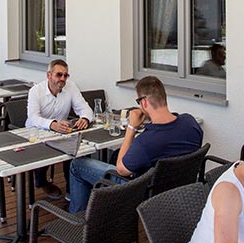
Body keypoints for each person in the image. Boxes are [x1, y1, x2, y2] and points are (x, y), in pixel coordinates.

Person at [66, 76, 202, 213]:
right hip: (179, 188)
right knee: (116, 154)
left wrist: (131, 128)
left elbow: (121, 170)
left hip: (142, 192)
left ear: (144, 103)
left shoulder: (146, 142)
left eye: (138, 102)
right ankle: (105, 207)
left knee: (77, 165)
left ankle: (79, 217)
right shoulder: (190, 123)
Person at [25, 59, 94, 200]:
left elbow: (85, 108)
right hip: (36, 133)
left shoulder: (71, 87)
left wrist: (85, 118)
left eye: (65, 75)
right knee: (45, 151)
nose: (62, 78)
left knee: (75, 152)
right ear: (48, 75)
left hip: (61, 133)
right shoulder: (36, 91)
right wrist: (52, 124)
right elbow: (32, 118)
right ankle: (41, 181)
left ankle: (72, 191)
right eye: (59, 75)